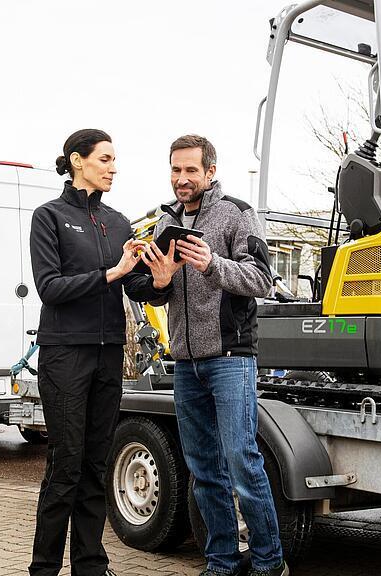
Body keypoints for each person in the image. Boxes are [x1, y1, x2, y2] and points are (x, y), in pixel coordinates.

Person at [137, 134, 288, 576]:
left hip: (230, 358)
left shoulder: (238, 214)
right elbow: (157, 293)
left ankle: (268, 562)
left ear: (210, 172)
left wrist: (211, 264)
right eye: (175, 170)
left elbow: (263, 279)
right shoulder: (166, 221)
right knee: (203, 470)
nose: (181, 179)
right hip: (185, 362)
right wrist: (161, 281)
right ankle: (222, 561)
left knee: (242, 461)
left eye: (190, 170)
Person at [28, 128, 169, 576]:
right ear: (77, 161)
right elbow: (50, 289)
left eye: (114, 160)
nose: (113, 167)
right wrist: (112, 272)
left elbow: (135, 284)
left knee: (95, 464)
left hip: (109, 356)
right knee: (65, 466)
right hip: (65, 355)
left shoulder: (119, 222)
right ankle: (44, 568)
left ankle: (90, 565)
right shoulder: (48, 217)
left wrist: (160, 281)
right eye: (105, 159)